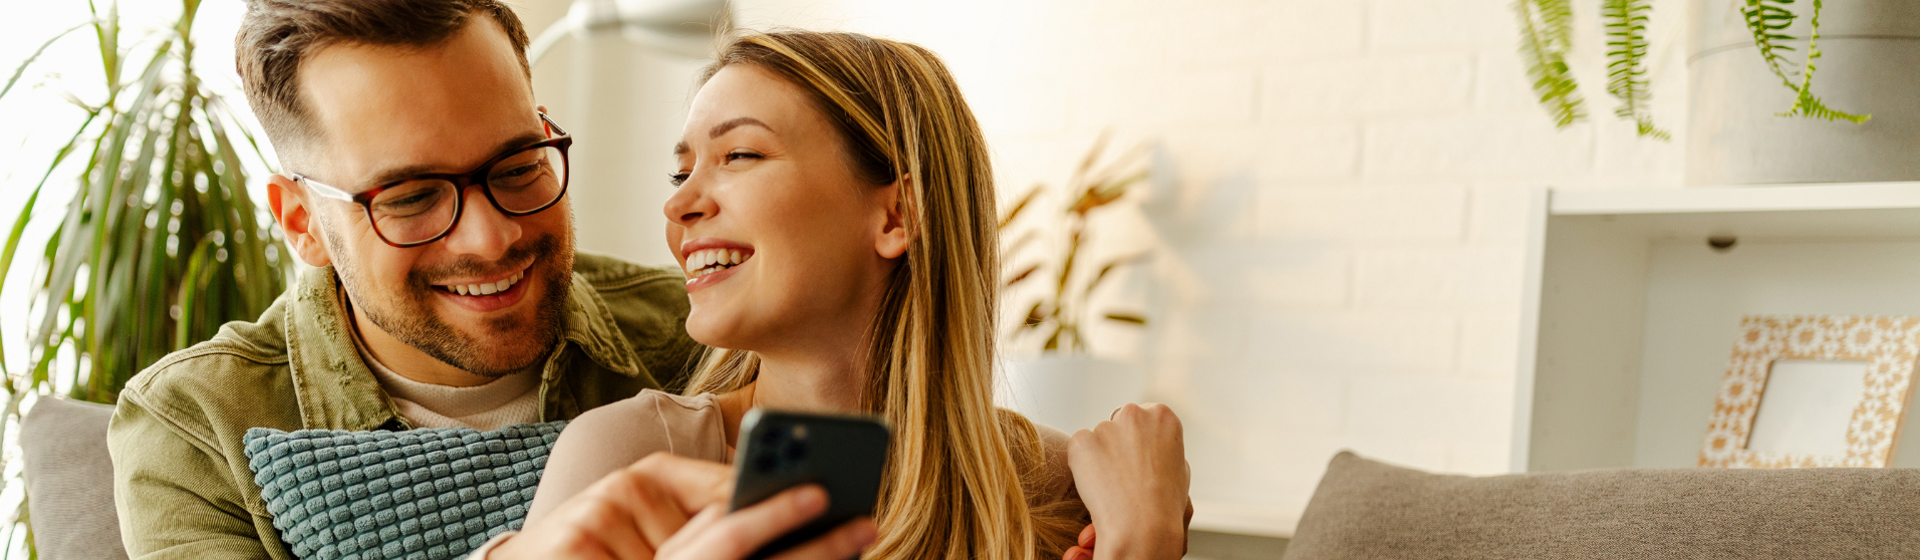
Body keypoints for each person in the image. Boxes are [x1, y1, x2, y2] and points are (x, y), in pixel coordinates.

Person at [485, 31, 1192, 560]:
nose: (681, 206)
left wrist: (1143, 543)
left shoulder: (1056, 484)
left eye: (739, 155)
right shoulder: (634, 456)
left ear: (896, 216)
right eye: (680, 174)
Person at [106, 1, 705, 558]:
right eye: (413, 197)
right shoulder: (196, 425)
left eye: (520, 166)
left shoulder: (700, 332)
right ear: (303, 220)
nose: (492, 238)